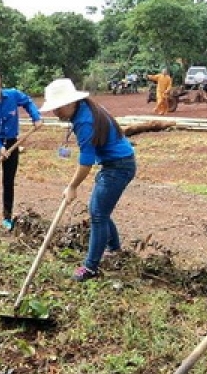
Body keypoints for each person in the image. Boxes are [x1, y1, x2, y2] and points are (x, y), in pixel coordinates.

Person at [39, 78, 136, 282]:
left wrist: (72, 186)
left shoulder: (84, 120)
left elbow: (86, 161)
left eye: (57, 108)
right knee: (100, 210)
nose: (55, 113)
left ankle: (91, 267)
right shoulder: (83, 109)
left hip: (118, 166)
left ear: (69, 103)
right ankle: (114, 249)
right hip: (115, 163)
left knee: (98, 214)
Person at [0, 68, 43, 232]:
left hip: (12, 143)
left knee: (8, 181)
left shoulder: (12, 95)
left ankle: (7, 218)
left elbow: (28, 102)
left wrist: (36, 117)